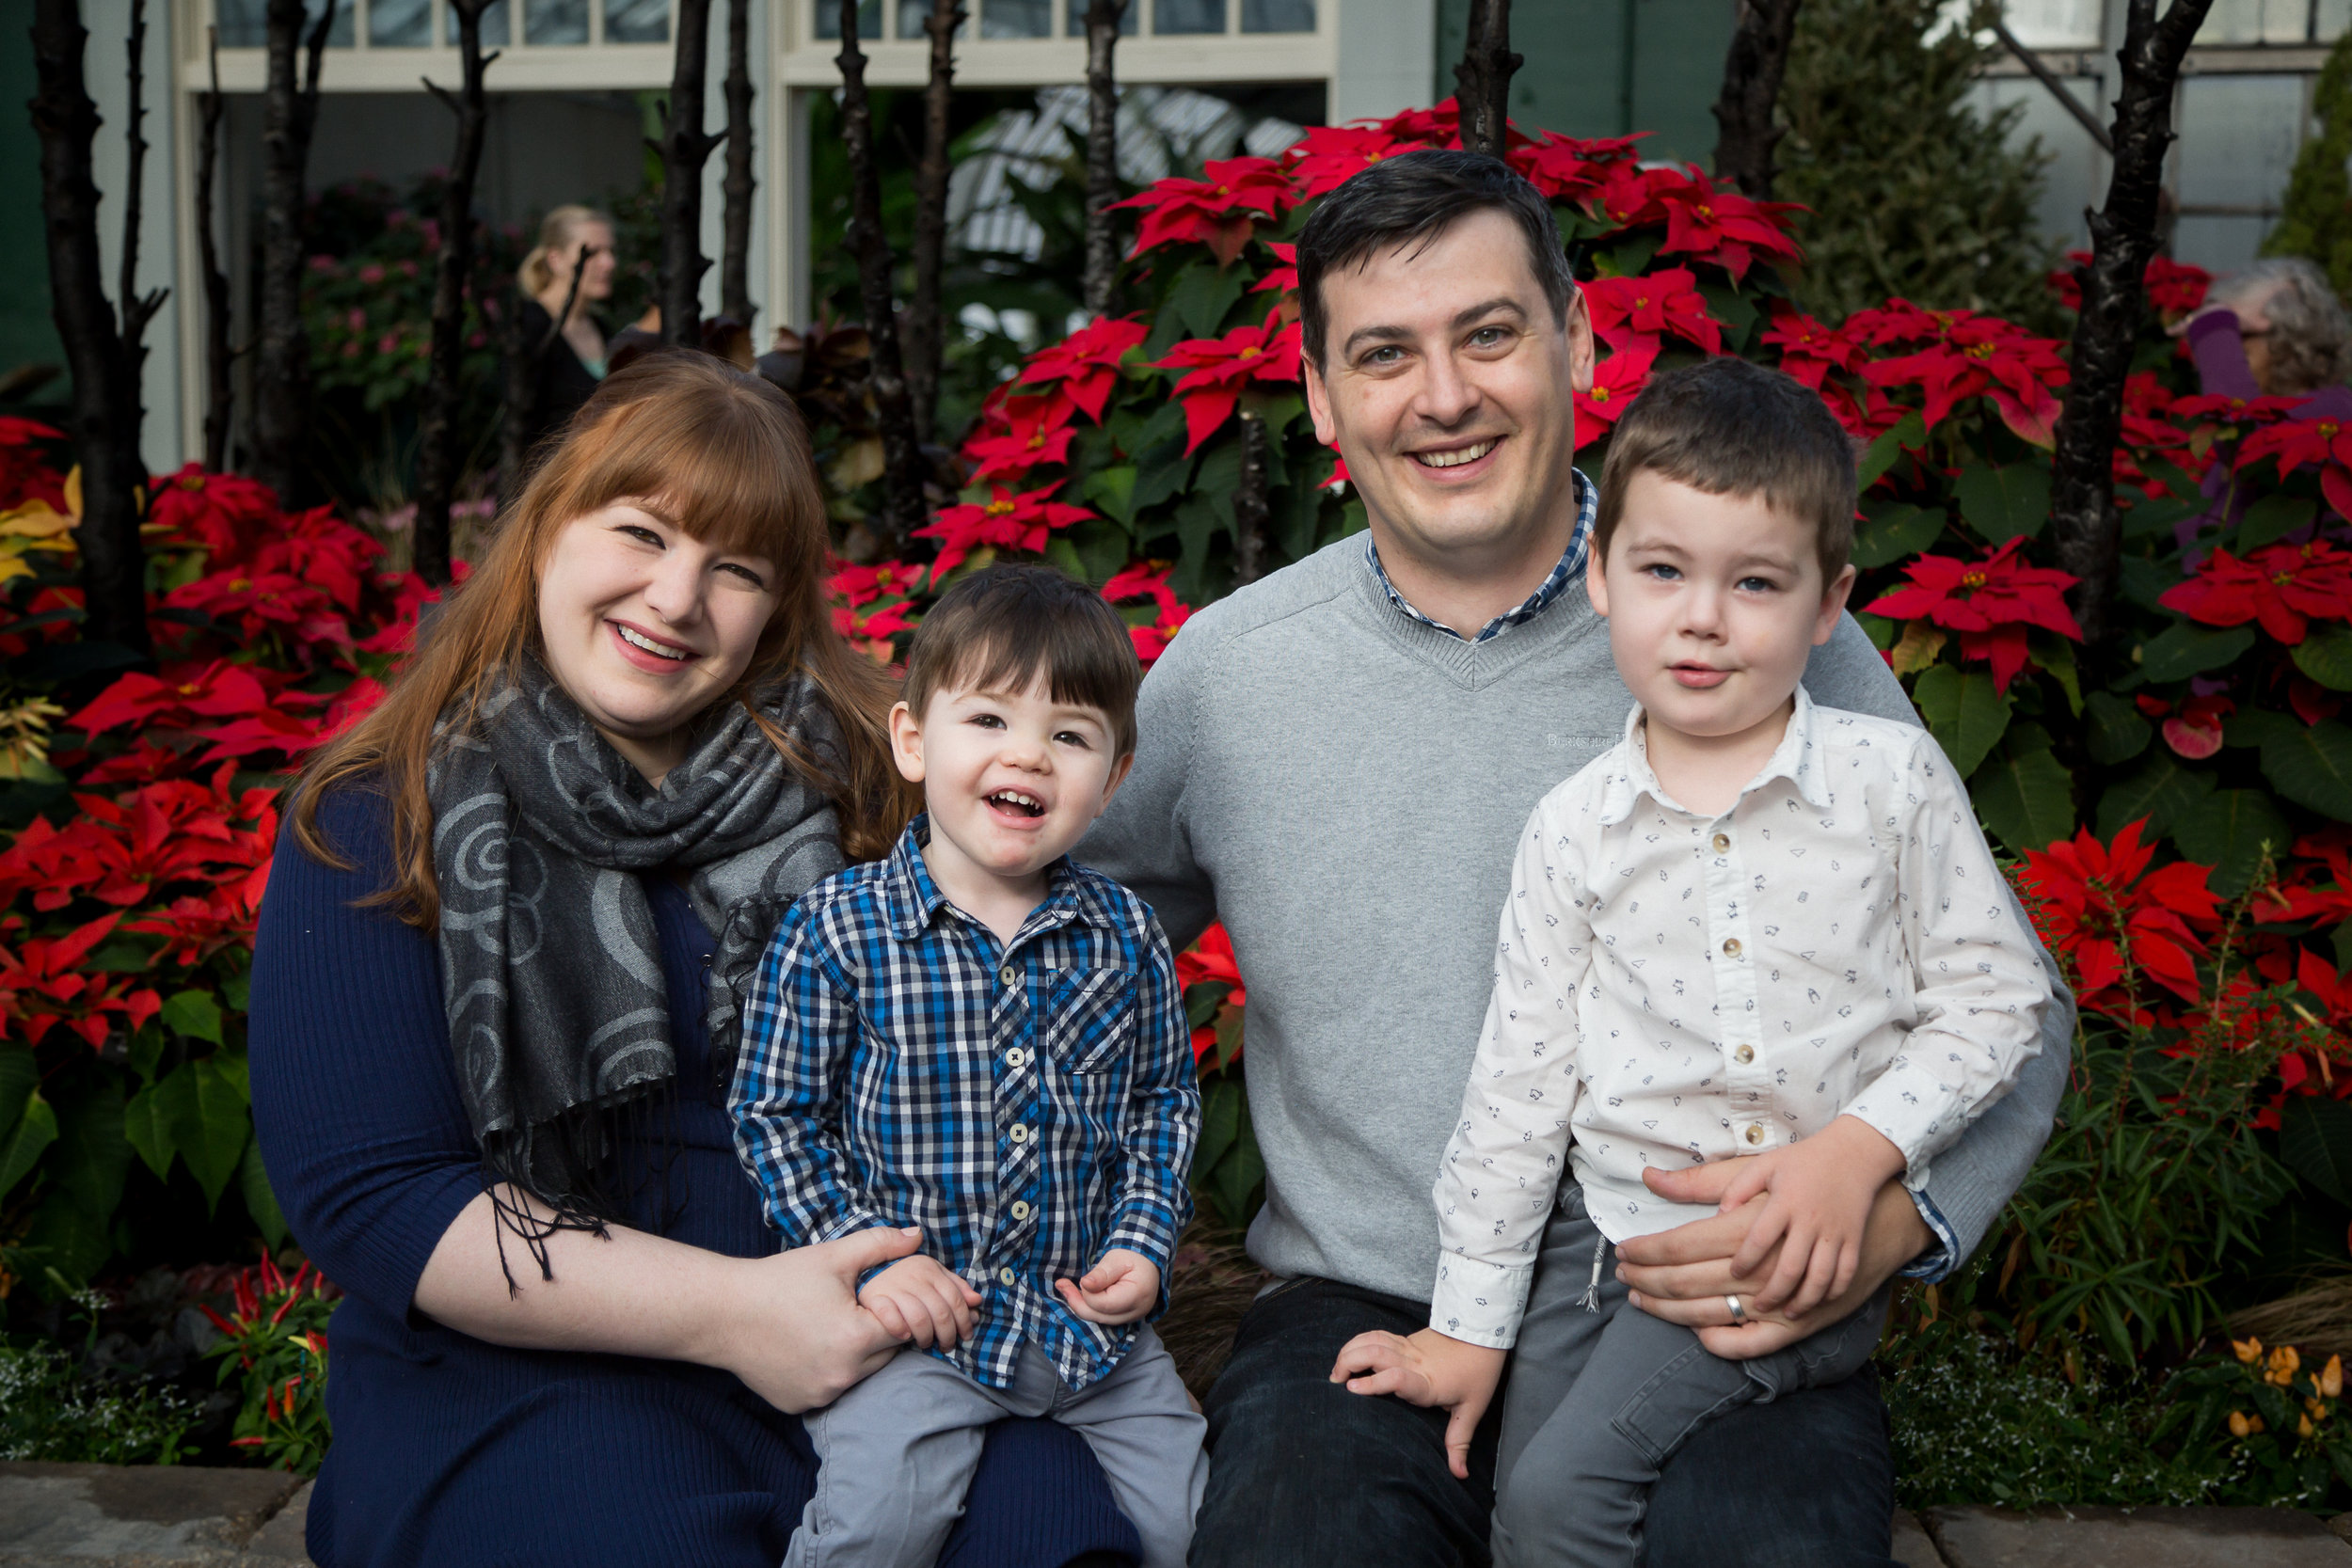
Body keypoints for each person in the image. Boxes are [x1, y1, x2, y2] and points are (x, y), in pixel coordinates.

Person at [1079, 149, 2074, 1567]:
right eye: (1383, 354)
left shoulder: (1751, 621)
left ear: (1578, 342)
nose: (1444, 395)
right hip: (1375, 1294)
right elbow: (1056, 944)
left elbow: (2012, 994)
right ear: (1317, 397)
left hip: (1706, 1288)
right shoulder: (1231, 678)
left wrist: (1891, 1208)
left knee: (1759, 1547)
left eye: (1488, 333)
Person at [248, 355, 1142, 1568]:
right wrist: (736, 1311)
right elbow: (375, 1192)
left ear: (777, 604)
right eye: (641, 532)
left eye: (734, 567)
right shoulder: (380, 811)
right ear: (546, 531)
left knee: (1057, 1536)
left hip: (893, 1340)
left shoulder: (884, 792)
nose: (676, 597)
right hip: (532, 1372)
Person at [1330, 357, 2052, 1565]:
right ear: (1602, 572)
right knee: (1523, 1497)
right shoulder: (1574, 825)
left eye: (1755, 582)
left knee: (1564, 1498)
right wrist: (1466, 1326)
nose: (1703, 617)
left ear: (1829, 604)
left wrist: (1853, 1157)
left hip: (1789, 1250)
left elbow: (1997, 996)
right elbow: (1518, 1085)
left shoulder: (1887, 783)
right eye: (1663, 570)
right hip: (1594, 1235)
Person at [731, 563, 1208, 1568]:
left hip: (1089, 1331)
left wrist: (1144, 1239)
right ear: (914, 740)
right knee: (879, 1523)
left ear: (1112, 777)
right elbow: (776, 1114)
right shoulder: (839, 929)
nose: (1027, 754)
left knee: (1192, 1518)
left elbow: (1161, 1101)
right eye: (988, 719)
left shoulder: (1125, 936)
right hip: (917, 1334)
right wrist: (871, 1254)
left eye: (1070, 735)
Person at [515, 205, 618, 449]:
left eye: (611, 251)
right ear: (555, 260)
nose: (609, 262)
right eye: (592, 253)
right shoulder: (530, 328)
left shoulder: (601, 327)